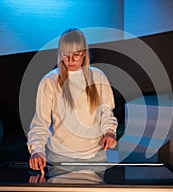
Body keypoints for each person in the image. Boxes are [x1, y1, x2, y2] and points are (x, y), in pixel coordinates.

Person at [27, 28, 118, 175]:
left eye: (76, 55)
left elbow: (107, 112)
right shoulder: (50, 81)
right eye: (66, 55)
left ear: (84, 53)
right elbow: (40, 123)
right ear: (60, 54)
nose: (70, 60)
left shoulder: (98, 76)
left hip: (95, 158)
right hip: (60, 160)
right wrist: (36, 151)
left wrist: (110, 132)